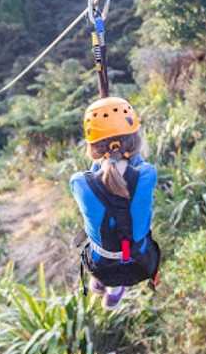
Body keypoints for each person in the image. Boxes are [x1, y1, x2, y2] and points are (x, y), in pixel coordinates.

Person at [69, 96, 161, 309]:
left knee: (102, 252)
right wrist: (120, 150)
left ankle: (103, 284)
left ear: (93, 149)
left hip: (100, 261)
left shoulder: (79, 183)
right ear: (135, 140)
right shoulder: (147, 175)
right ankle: (114, 293)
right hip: (138, 258)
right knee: (119, 260)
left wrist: (106, 154)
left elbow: (95, 174)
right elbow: (137, 164)